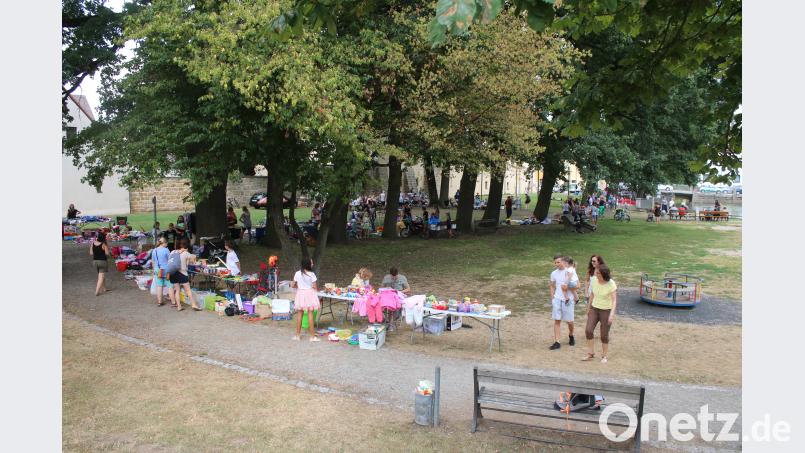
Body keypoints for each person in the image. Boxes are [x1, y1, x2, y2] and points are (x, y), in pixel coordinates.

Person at [583, 264, 618, 363]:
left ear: (603, 274)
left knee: (604, 335)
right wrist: (588, 308)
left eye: (597, 272)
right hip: (594, 308)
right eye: (595, 272)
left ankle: (604, 356)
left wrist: (611, 314)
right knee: (588, 330)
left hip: (606, 311)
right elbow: (592, 294)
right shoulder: (594, 280)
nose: (595, 274)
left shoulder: (611, 283)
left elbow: (614, 300)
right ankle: (590, 353)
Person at [549, 255, 578, 350]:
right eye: (555, 262)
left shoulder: (570, 271)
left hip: (568, 300)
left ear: (564, 262)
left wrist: (567, 287)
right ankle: (557, 342)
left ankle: (571, 335)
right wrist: (552, 298)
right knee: (557, 320)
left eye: (559, 262)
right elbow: (552, 285)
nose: (557, 264)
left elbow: (578, 285)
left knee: (569, 321)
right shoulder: (553, 273)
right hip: (557, 299)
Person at [292, 258, 321, 342]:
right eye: (311, 263)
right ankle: (312, 337)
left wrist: (299, 286)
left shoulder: (297, 273)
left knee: (299, 315)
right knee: (310, 315)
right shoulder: (312, 274)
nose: (312, 264)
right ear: (307, 264)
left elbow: (293, 285)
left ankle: (297, 335)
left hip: (300, 294)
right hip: (310, 295)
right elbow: (315, 287)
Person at [169, 238, 201, 311]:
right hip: (182, 273)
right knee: (188, 290)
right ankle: (193, 305)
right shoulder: (186, 253)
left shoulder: (172, 252)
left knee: (177, 290)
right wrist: (193, 256)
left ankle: (179, 306)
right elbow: (193, 260)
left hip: (173, 273)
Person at [151, 237, 175, 307]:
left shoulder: (154, 250)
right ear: (164, 243)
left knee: (159, 286)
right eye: (166, 243)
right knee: (170, 286)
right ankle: (173, 302)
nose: (167, 245)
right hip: (166, 270)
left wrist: (154, 270)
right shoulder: (166, 250)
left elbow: (153, 261)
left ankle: (159, 302)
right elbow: (170, 260)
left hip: (157, 270)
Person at [89, 232, 111, 296]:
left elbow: (91, 253)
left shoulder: (93, 243)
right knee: (101, 277)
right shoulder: (104, 244)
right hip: (102, 262)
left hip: (95, 262)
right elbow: (107, 254)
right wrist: (110, 254)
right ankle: (96, 291)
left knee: (101, 275)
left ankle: (104, 288)